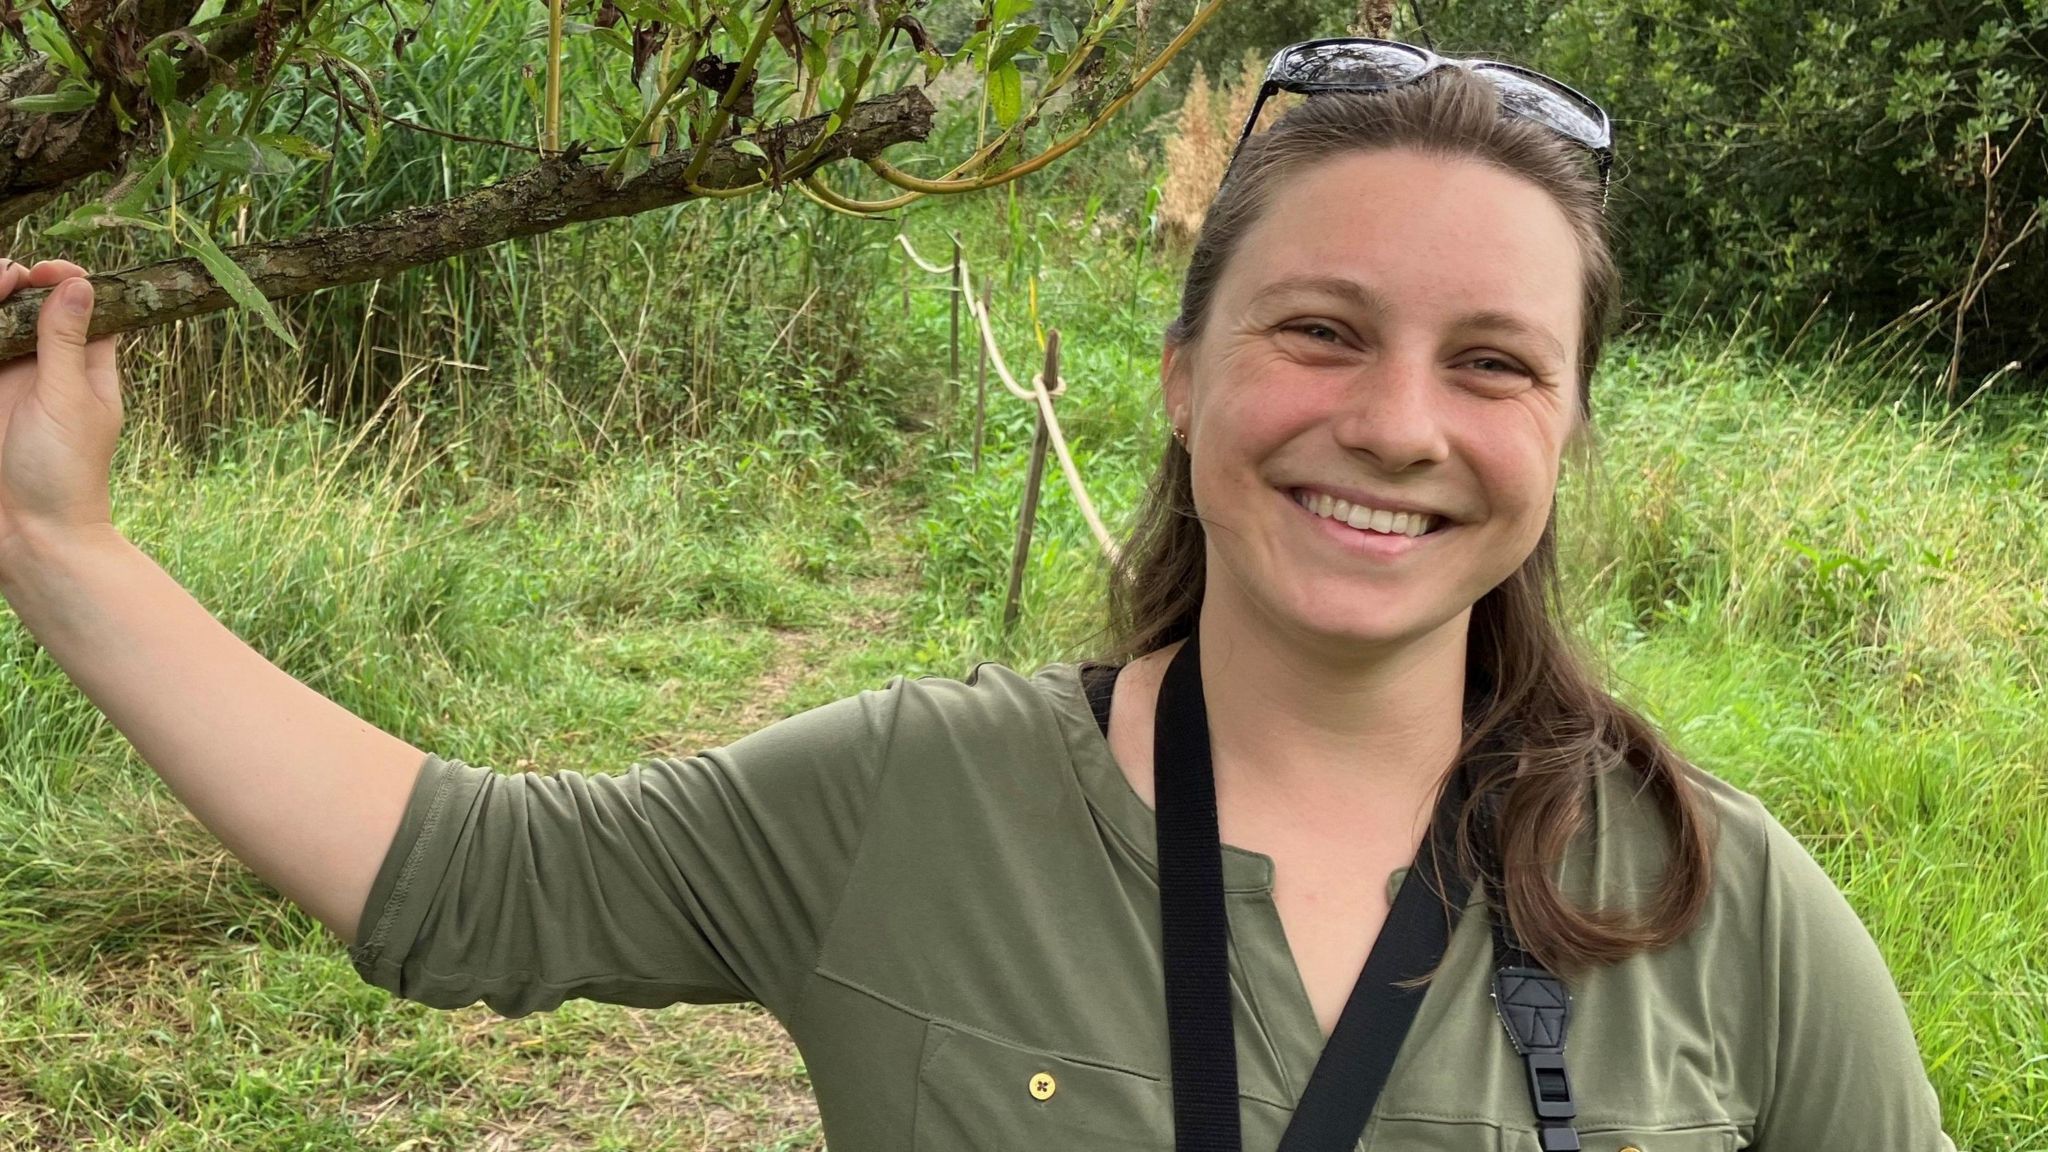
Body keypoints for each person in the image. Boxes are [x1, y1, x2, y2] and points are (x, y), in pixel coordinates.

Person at [0, 39, 1956, 1152]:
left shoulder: (1720, 909)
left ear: (1566, 431)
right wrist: (61, 549)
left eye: (1492, 364)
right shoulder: (913, 808)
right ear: (1185, 376)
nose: (1391, 422)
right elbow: (472, 882)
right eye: (1319, 330)